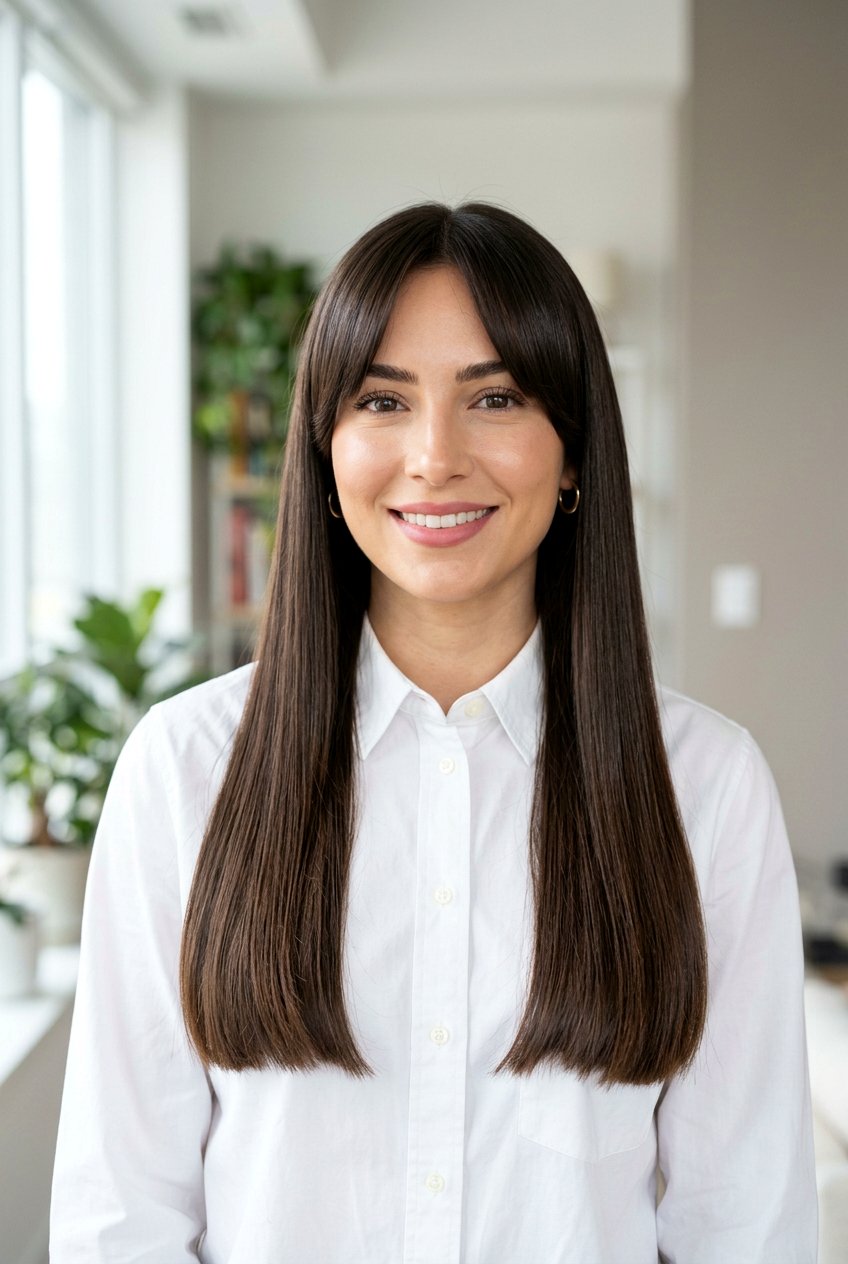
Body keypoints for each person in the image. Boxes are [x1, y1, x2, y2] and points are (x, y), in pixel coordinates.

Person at [50, 201, 817, 1263]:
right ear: (323, 454)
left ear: (574, 450)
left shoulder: (706, 786)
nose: (433, 456)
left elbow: (741, 1223)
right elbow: (120, 1218)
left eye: (494, 396)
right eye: (381, 400)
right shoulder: (185, 770)